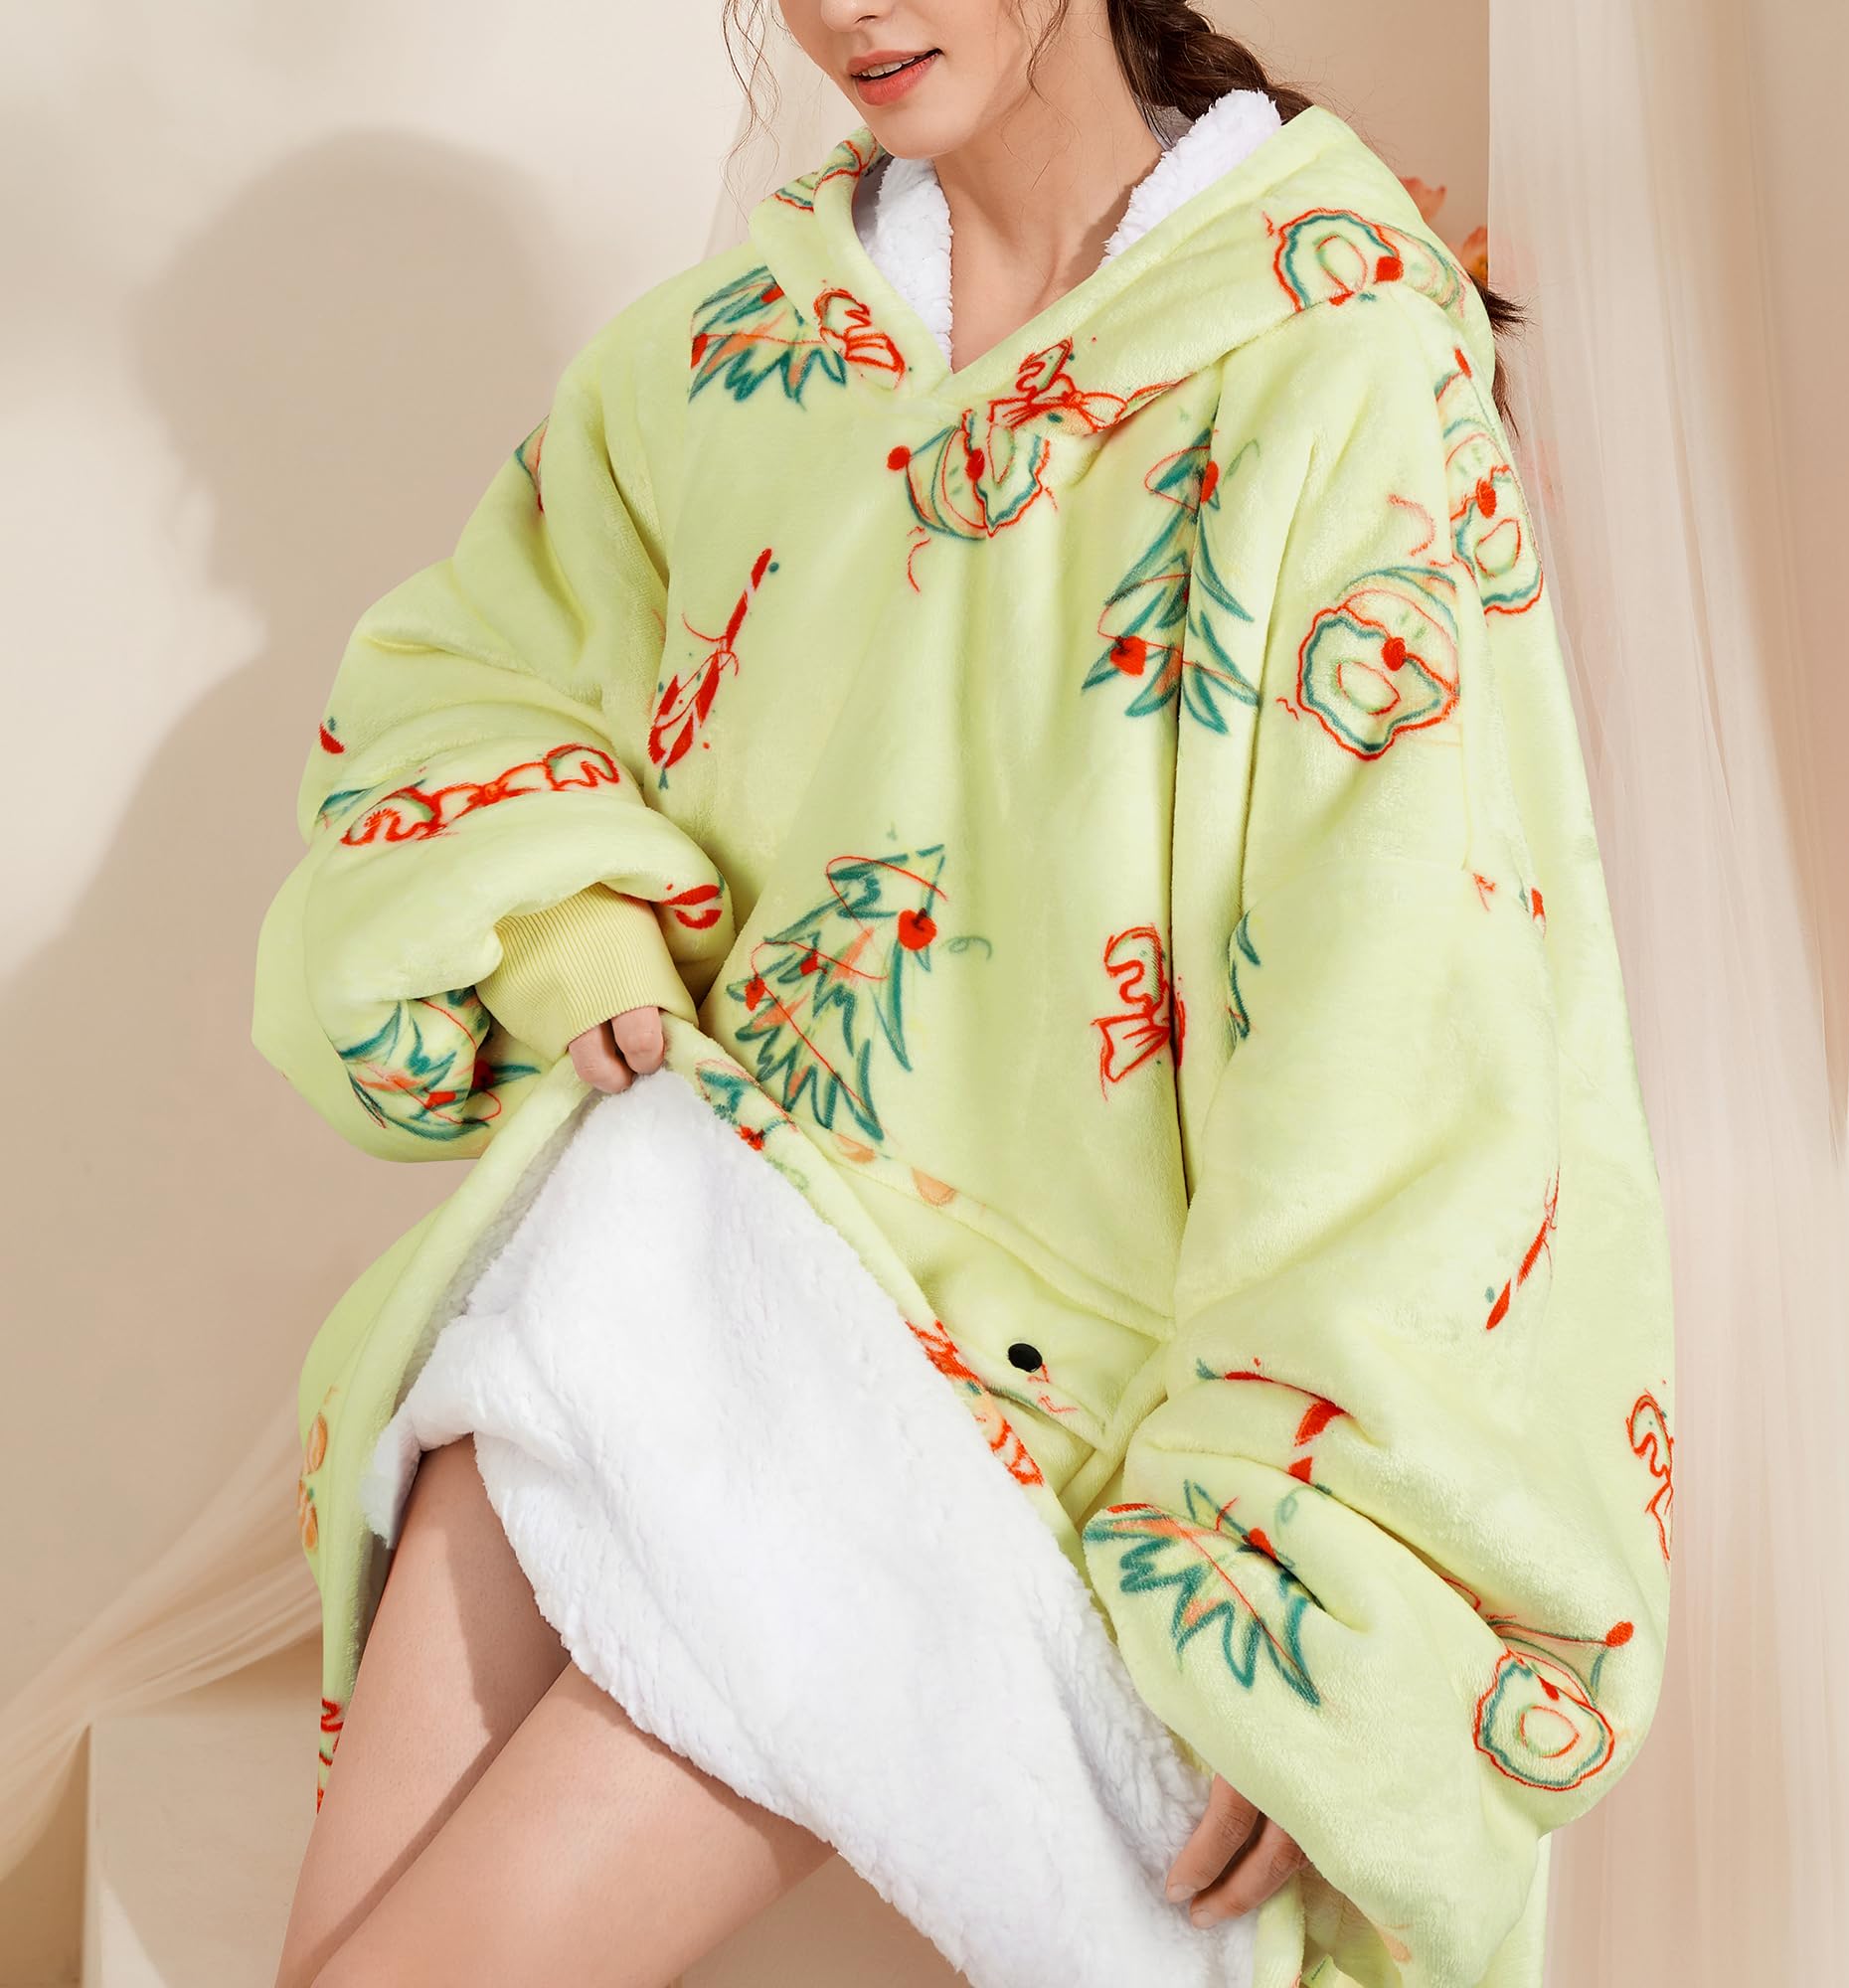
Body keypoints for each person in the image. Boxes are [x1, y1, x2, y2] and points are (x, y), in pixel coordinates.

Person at [258, 4, 1677, 1984]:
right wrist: (567, 920)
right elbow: (463, 683)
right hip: (686, 1239)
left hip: (1027, 1402)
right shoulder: (720, 360)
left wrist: (1317, 1572)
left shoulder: (1331, 360)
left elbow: (1411, 1007)